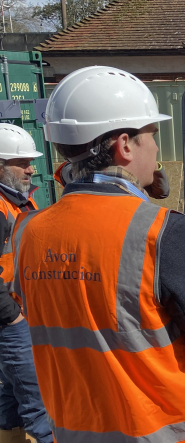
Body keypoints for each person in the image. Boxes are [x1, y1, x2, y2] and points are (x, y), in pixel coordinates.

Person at [11, 66, 185, 443]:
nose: (156, 149)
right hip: (161, 433)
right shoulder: (161, 230)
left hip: (74, 430)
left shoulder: (27, 230)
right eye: (153, 136)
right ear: (125, 145)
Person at [0, 125, 51, 443]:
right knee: (40, 406)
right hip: (12, 320)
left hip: (21, 314)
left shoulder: (19, 202)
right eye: (22, 163)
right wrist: (12, 316)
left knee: (11, 396)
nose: (31, 169)